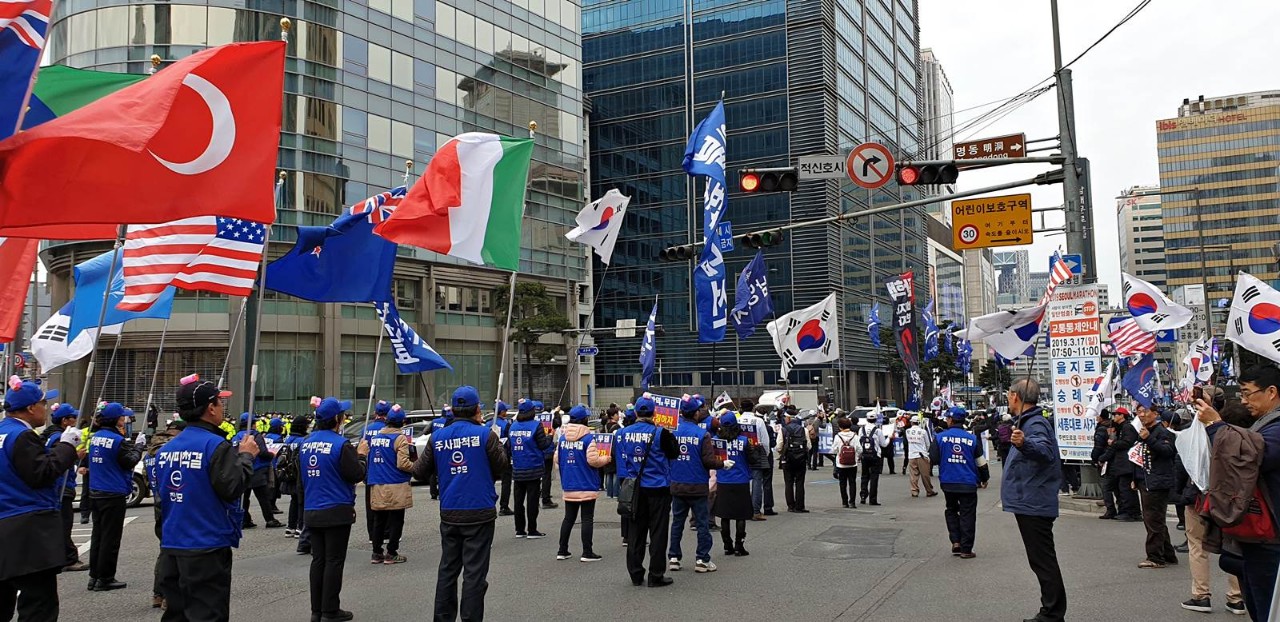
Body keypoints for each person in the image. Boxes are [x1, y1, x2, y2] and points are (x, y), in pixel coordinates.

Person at [154, 376, 258, 621]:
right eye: (220, 403)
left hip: (172, 544)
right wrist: (246, 457)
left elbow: (162, 498)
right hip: (206, 544)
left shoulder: (166, 449)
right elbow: (232, 487)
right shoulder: (215, 446)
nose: (222, 408)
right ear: (211, 408)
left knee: (177, 615)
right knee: (208, 615)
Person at [412, 385, 508, 622]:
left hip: (450, 511)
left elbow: (420, 471)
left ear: (453, 410)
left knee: (448, 570)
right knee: (474, 574)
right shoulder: (486, 435)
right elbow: (502, 466)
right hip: (480, 511)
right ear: (477, 410)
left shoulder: (437, 437)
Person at [1195, 365, 1280, 620]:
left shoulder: (1276, 427)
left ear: (1271, 392)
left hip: (1270, 537)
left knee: (1268, 608)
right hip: (1258, 535)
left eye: (1247, 393)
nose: (1243, 401)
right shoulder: (1263, 424)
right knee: (1257, 604)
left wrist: (1215, 425)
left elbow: (1249, 457)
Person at [0, 378, 80, 621]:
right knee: (38, 604)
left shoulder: (4, 432)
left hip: (6, 523)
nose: (46, 409)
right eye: (44, 404)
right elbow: (41, 473)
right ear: (31, 407)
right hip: (28, 527)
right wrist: (67, 447)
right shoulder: (22, 435)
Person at [1002, 379, 1066, 622]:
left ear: (1016, 396)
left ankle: (1052, 613)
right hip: (1030, 500)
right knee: (1040, 559)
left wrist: (1024, 443)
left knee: (1043, 560)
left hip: (1034, 502)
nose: (1008, 399)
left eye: (1009, 394)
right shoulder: (1027, 421)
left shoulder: (1035, 423)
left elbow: (1044, 451)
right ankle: (1052, 611)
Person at [300, 396, 365, 622]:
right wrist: (362, 455)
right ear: (337, 419)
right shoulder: (341, 444)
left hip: (312, 508)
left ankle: (316, 610)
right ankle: (330, 610)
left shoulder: (305, 443)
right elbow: (356, 474)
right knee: (334, 561)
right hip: (336, 509)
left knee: (318, 560)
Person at [1180, 405, 1247, 615]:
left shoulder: (1201, 437)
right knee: (1234, 546)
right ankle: (1237, 597)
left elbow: (1185, 466)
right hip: (1231, 501)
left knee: (1197, 546)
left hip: (1201, 499)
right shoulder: (1247, 439)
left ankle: (1201, 596)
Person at [614, 395, 679, 587]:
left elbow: (617, 458)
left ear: (635, 412)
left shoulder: (622, 433)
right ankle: (655, 575)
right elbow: (674, 453)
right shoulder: (661, 433)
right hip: (658, 488)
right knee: (658, 533)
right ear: (654, 413)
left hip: (633, 488)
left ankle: (635, 574)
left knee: (635, 532)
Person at [86, 402, 142, 592]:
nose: (125, 419)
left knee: (98, 535)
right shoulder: (117, 440)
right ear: (117, 419)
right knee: (110, 538)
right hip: (113, 491)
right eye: (122, 416)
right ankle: (105, 578)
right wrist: (138, 446)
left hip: (96, 491)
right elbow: (130, 461)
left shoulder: (96, 437)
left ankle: (94, 576)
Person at [667, 395, 723, 574]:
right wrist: (723, 464)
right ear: (696, 413)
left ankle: (674, 558)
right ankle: (702, 559)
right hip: (698, 485)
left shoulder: (672, 432)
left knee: (677, 523)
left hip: (677, 484)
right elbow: (709, 461)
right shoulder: (702, 434)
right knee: (702, 524)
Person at [358, 403, 414, 564]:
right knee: (396, 519)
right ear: (402, 422)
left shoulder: (375, 438)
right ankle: (391, 552)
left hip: (377, 482)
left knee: (379, 519)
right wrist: (415, 467)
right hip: (396, 483)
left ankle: (376, 553)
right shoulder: (400, 438)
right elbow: (403, 463)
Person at [931, 407, 989, 559]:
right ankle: (966, 549)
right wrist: (985, 478)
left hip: (948, 481)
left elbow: (934, 459)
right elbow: (981, 462)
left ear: (950, 420)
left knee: (951, 510)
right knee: (967, 514)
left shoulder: (940, 437)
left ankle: (956, 541)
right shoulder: (972, 439)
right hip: (968, 483)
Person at [555, 404, 609, 562]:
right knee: (587, 518)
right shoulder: (588, 438)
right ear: (584, 420)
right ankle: (587, 552)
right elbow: (593, 461)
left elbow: (557, 459)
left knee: (568, 518)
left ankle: (562, 550)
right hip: (586, 483)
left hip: (569, 483)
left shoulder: (563, 438)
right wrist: (606, 459)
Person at [39, 403, 88, 573]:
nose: (75, 420)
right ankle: (68, 559)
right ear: (64, 420)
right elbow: (57, 459)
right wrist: (75, 455)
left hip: (61, 485)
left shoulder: (50, 435)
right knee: (64, 524)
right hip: (61, 485)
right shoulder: (59, 437)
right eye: (73, 417)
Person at [144, 415, 184, 609]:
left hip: (158, 503)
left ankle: (158, 594)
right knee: (177, 553)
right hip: (175, 502)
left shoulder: (150, 453)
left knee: (165, 550)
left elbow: (146, 479)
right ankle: (170, 595)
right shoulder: (174, 451)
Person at [1134, 402, 1179, 569]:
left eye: (1145, 411)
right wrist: (1135, 478)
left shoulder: (1163, 432)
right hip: (1145, 480)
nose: (1141, 415)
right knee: (1155, 520)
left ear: (1155, 414)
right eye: (1139, 412)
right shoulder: (1143, 432)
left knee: (1153, 520)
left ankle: (1155, 557)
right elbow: (1138, 457)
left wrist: (1149, 438)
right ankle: (1167, 554)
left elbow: (1168, 452)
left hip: (1157, 482)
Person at [507, 398, 552, 538]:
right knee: (532, 501)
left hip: (517, 468)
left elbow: (509, 446)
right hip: (533, 468)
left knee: (518, 501)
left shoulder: (512, 426)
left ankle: (519, 530)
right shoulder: (536, 425)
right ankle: (532, 529)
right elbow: (543, 445)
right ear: (532, 411)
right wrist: (550, 436)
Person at [232, 413, 282, 529]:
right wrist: (272, 455)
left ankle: (245, 520)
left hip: (242, 469)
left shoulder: (236, 436)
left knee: (244, 498)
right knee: (263, 498)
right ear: (253, 424)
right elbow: (262, 452)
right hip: (257, 470)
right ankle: (270, 520)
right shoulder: (255, 435)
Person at [713, 412, 752, 557]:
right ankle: (739, 546)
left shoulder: (715, 441)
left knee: (725, 515)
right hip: (741, 480)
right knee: (741, 515)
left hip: (723, 480)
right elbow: (752, 459)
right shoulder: (744, 440)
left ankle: (727, 545)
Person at [1102, 407, 1142, 521]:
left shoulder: (1127, 427)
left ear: (1122, 416)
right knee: (1124, 488)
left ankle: (1130, 513)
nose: (1114, 417)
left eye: (1116, 414)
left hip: (1126, 463)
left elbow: (1128, 442)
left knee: (1126, 489)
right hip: (1122, 464)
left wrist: (1114, 442)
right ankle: (1130, 512)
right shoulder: (1120, 427)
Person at [734, 401, 771, 521]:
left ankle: (741, 509)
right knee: (757, 482)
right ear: (753, 408)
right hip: (756, 451)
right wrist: (766, 453)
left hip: (740, 451)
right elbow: (765, 441)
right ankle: (755, 511)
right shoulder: (758, 421)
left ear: (741, 408)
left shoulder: (737, 420)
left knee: (741, 480)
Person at [361, 400, 391, 541]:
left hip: (370, 470)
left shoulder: (366, 429)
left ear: (375, 413)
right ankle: (386, 532)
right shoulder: (389, 429)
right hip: (385, 470)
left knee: (371, 504)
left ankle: (372, 534)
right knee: (387, 503)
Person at [776, 407, 810, 513]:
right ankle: (800, 506)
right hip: (801, 459)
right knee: (800, 482)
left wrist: (782, 453)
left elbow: (779, 446)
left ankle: (791, 505)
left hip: (788, 459)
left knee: (789, 482)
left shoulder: (783, 430)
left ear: (789, 418)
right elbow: (808, 446)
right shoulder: (804, 430)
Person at [281, 416, 309, 538]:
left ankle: (290, 527)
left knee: (294, 500)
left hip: (289, 473)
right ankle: (300, 527)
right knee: (302, 500)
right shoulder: (303, 440)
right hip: (299, 474)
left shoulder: (288, 439)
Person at [1091, 409, 1118, 519]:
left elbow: (1098, 446)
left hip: (1105, 460)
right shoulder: (1111, 426)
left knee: (1106, 486)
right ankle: (1119, 508)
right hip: (1113, 459)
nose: (1096, 417)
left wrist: (1095, 458)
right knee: (1115, 486)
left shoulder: (1102, 429)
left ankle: (1110, 510)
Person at [490, 401, 515, 515]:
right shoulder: (506, 424)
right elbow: (510, 441)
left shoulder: (488, 423)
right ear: (502, 412)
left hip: (490, 457)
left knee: (490, 481)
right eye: (506, 410)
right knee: (506, 482)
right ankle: (504, 506)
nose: (507, 412)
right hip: (503, 456)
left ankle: (489, 504)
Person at [859, 416, 889, 506]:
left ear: (867, 419)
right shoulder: (878, 430)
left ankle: (863, 495)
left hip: (864, 455)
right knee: (874, 477)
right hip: (875, 456)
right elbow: (884, 444)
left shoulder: (861, 429)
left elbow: (859, 442)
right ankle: (873, 499)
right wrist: (889, 438)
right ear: (875, 420)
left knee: (864, 476)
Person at [905, 416, 936, 498]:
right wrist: (925, 451)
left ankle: (914, 491)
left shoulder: (907, 431)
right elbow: (928, 444)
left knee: (913, 475)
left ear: (911, 422)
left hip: (911, 455)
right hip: (921, 454)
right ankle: (929, 490)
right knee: (925, 474)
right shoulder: (923, 432)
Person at [832, 416, 859, 508]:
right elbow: (860, 449)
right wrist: (856, 456)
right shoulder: (855, 436)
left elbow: (834, 450)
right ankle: (852, 502)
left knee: (842, 483)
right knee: (852, 482)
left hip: (841, 464)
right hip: (853, 463)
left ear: (840, 427)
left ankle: (845, 502)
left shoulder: (838, 436)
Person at [599, 405, 622, 499]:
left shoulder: (604, 427)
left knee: (608, 472)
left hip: (605, 451)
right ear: (612, 416)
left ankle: (609, 493)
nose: (618, 416)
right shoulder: (617, 427)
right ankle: (615, 493)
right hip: (615, 451)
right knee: (615, 472)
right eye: (617, 414)